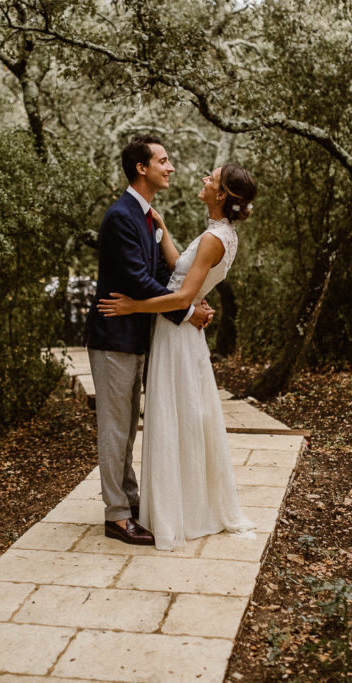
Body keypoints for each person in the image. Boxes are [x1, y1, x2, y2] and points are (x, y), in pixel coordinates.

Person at [98, 163, 258, 551]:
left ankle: (177, 508)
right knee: (183, 414)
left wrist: (133, 307)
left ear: (221, 195)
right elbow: (176, 267)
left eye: (211, 178)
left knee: (175, 416)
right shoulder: (217, 233)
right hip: (181, 332)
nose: (204, 179)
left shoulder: (213, 239)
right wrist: (163, 228)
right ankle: (174, 501)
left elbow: (185, 296)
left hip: (177, 334)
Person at [84, 135, 215, 546]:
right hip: (113, 336)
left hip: (137, 335)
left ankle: (131, 500)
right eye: (163, 160)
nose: (170, 166)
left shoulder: (146, 217)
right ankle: (117, 515)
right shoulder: (121, 216)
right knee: (115, 428)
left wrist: (193, 300)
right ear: (141, 168)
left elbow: (159, 277)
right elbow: (139, 282)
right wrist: (187, 312)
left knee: (127, 427)